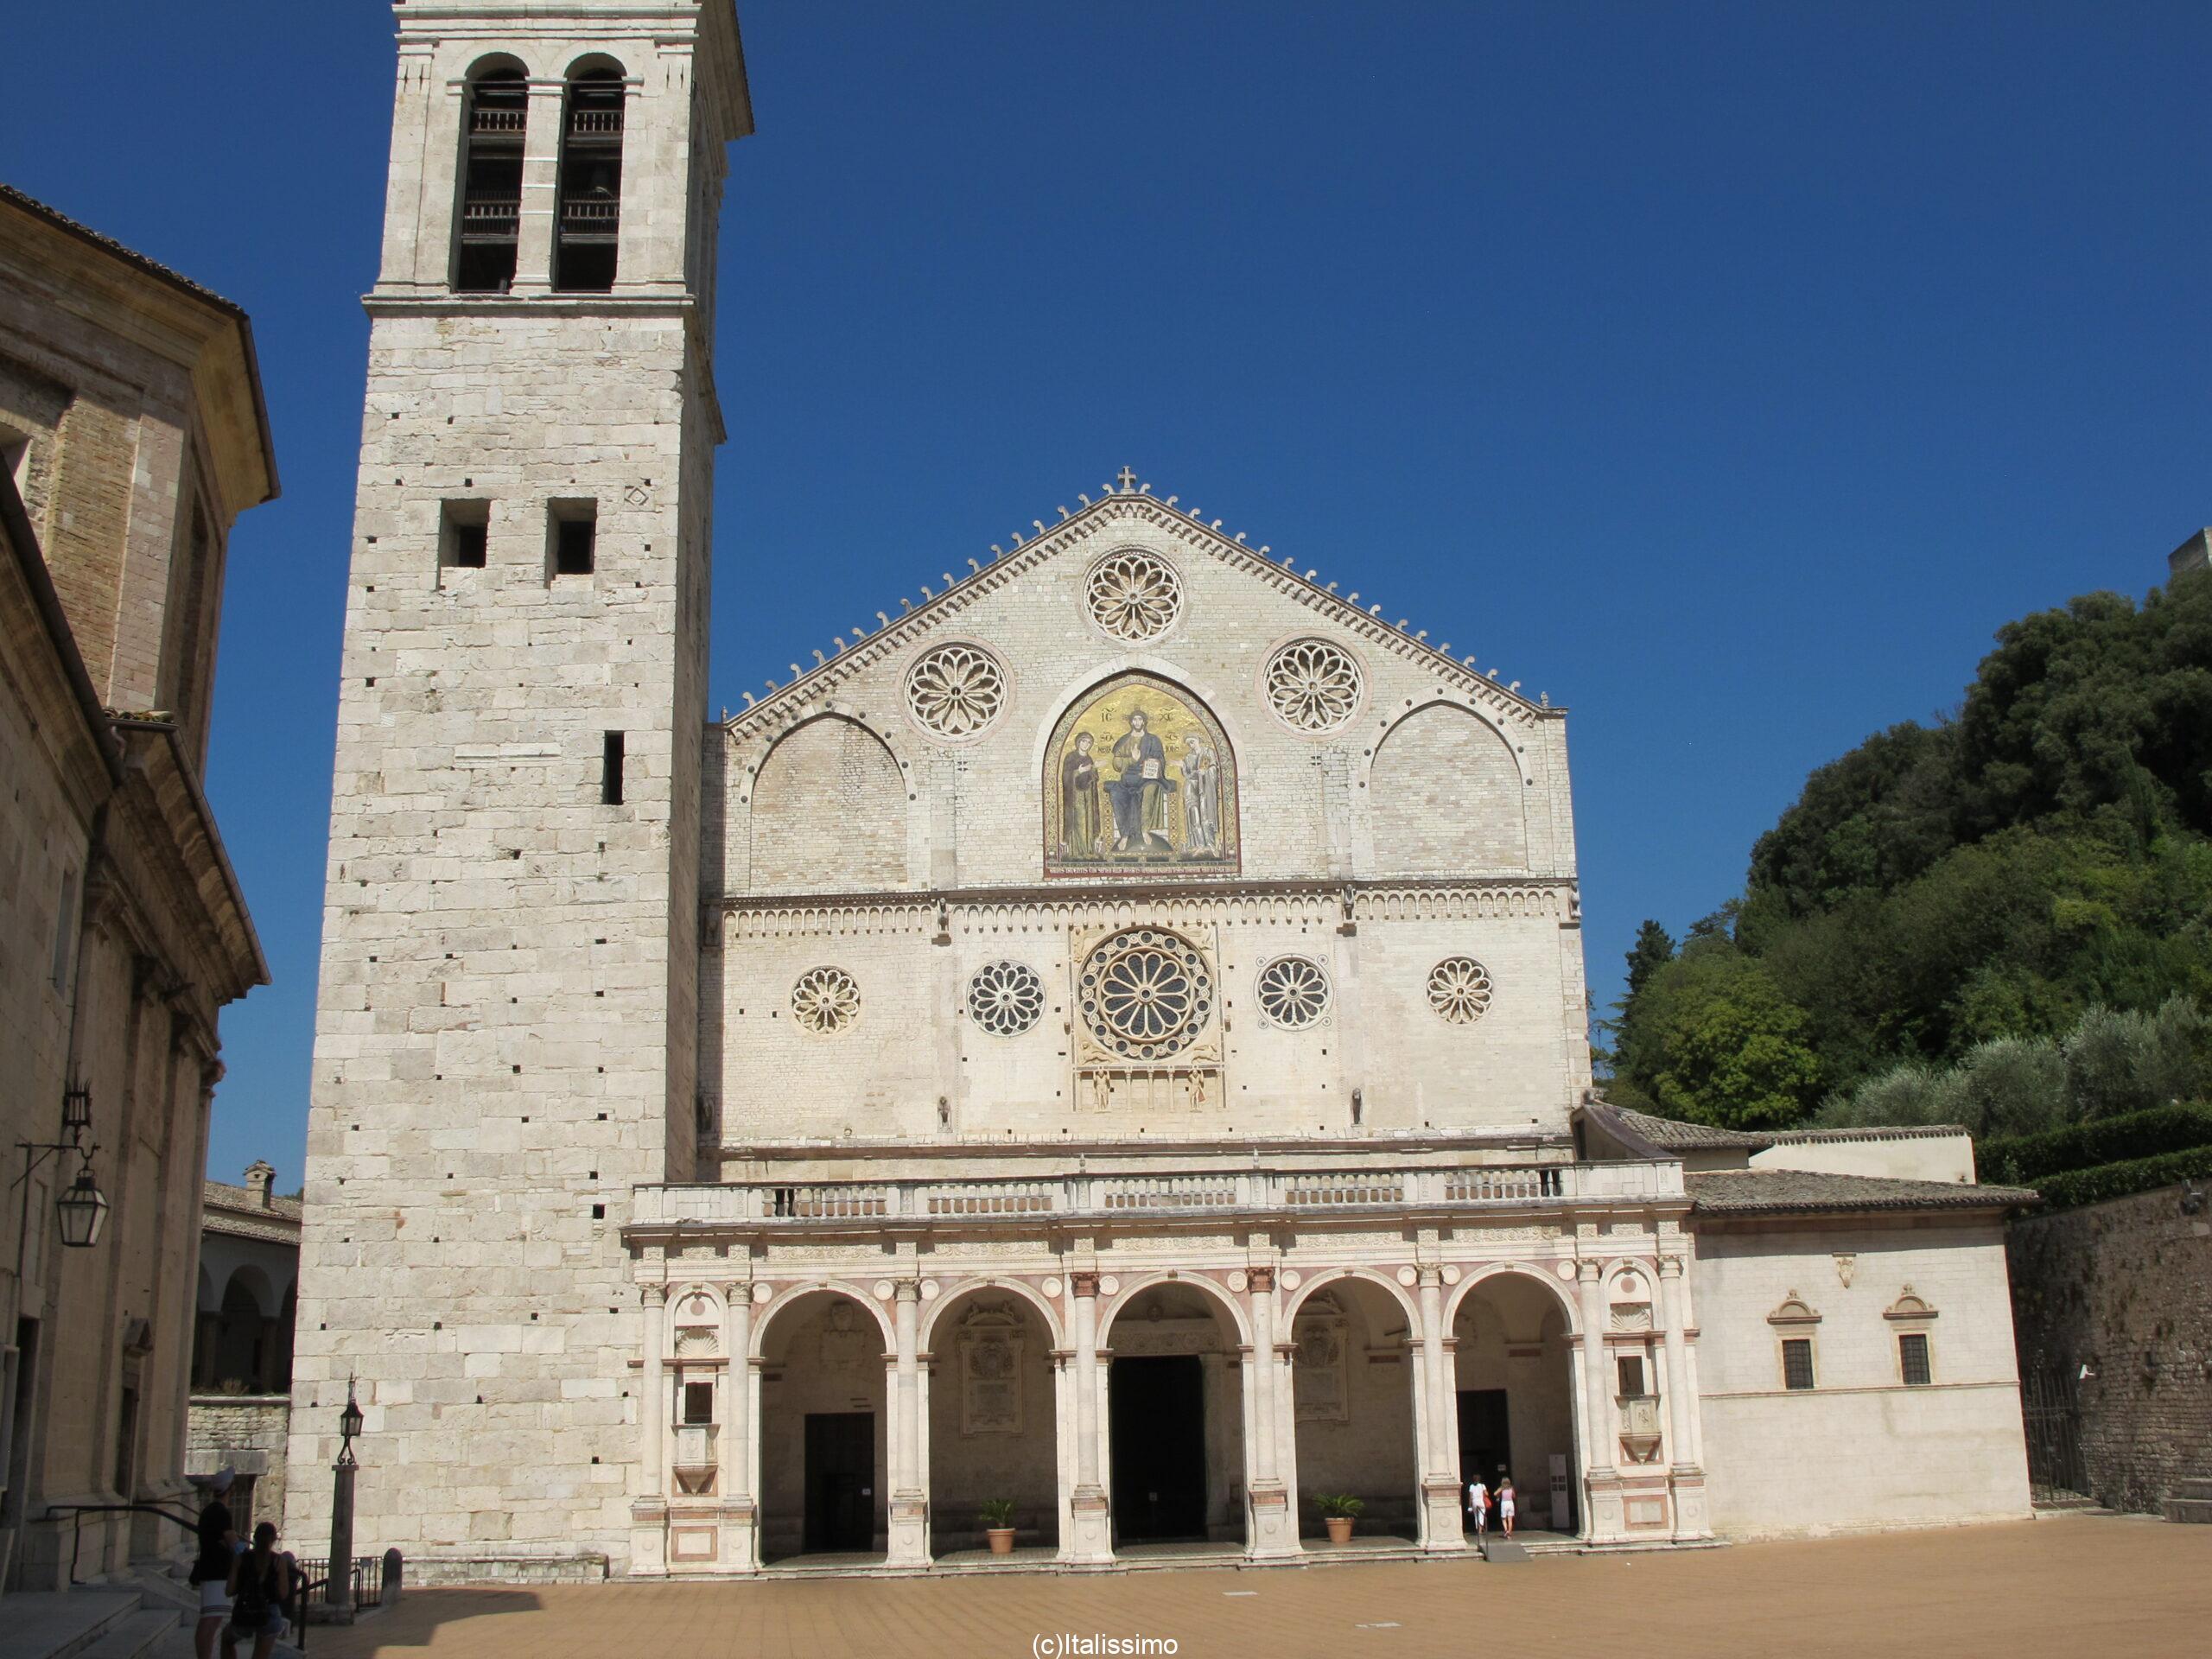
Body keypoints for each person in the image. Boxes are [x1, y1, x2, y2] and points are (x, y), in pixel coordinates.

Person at [1106, 709, 1173, 854]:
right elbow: (1116, 762)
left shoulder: (1153, 740)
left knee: (1149, 790)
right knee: (1117, 793)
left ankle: (1144, 830)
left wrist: (1151, 763)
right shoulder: (1125, 739)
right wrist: (1131, 759)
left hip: (1147, 777)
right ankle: (1124, 835)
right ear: (1131, 722)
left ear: (1144, 722)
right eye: (1134, 720)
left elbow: (1161, 759)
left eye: (1140, 720)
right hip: (1128, 778)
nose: (1137, 722)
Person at [222, 1522, 293, 1659]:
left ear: (255, 1538)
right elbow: (283, 1593)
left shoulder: (241, 1559)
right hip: (270, 1612)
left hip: (245, 1611)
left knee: (226, 1639)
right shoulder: (279, 1561)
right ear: (274, 1540)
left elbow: (229, 1591)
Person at [192, 1471, 238, 1659]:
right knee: (210, 1620)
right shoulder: (220, 1512)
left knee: (213, 1618)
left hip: (214, 1571)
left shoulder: (211, 1511)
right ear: (230, 1489)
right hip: (215, 1572)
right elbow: (231, 1540)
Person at [1059, 731, 1103, 858]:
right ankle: (1077, 852)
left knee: (1089, 820)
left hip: (1088, 794)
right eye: (1084, 741)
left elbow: (1093, 777)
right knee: (1078, 821)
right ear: (1078, 742)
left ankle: (1089, 851)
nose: (1086, 744)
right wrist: (1079, 771)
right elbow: (1065, 776)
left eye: (1089, 742)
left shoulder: (1089, 758)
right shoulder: (1070, 757)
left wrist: (1094, 768)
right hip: (1075, 795)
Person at [1178, 733, 1222, 856]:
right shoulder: (1188, 757)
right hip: (1191, 788)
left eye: (1193, 741)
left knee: (1206, 817)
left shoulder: (1208, 752)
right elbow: (1187, 775)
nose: (1191, 745)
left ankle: (1211, 845)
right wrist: (1183, 767)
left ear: (1198, 740)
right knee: (1194, 817)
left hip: (1205, 787)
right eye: (1189, 743)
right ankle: (1200, 845)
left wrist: (1206, 772)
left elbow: (1214, 767)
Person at [1465, 1473, 1489, 1537]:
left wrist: (1469, 1506)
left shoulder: (1471, 1486)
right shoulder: (1482, 1485)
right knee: (1481, 1516)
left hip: (1474, 1501)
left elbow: (1470, 1496)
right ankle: (1480, 1530)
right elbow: (1486, 1494)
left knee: (1476, 1516)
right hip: (1481, 1501)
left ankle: (1477, 1529)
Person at [1497, 1475, 1517, 1539]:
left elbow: (1495, 1493)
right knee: (1510, 1519)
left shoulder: (1502, 1488)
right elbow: (1514, 1496)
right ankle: (1509, 1532)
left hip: (1504, 1503)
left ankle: (1506, 1531)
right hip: (1510, 1503)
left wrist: (1499, 1495)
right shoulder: (1511, 1488)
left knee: (1503, 1519)